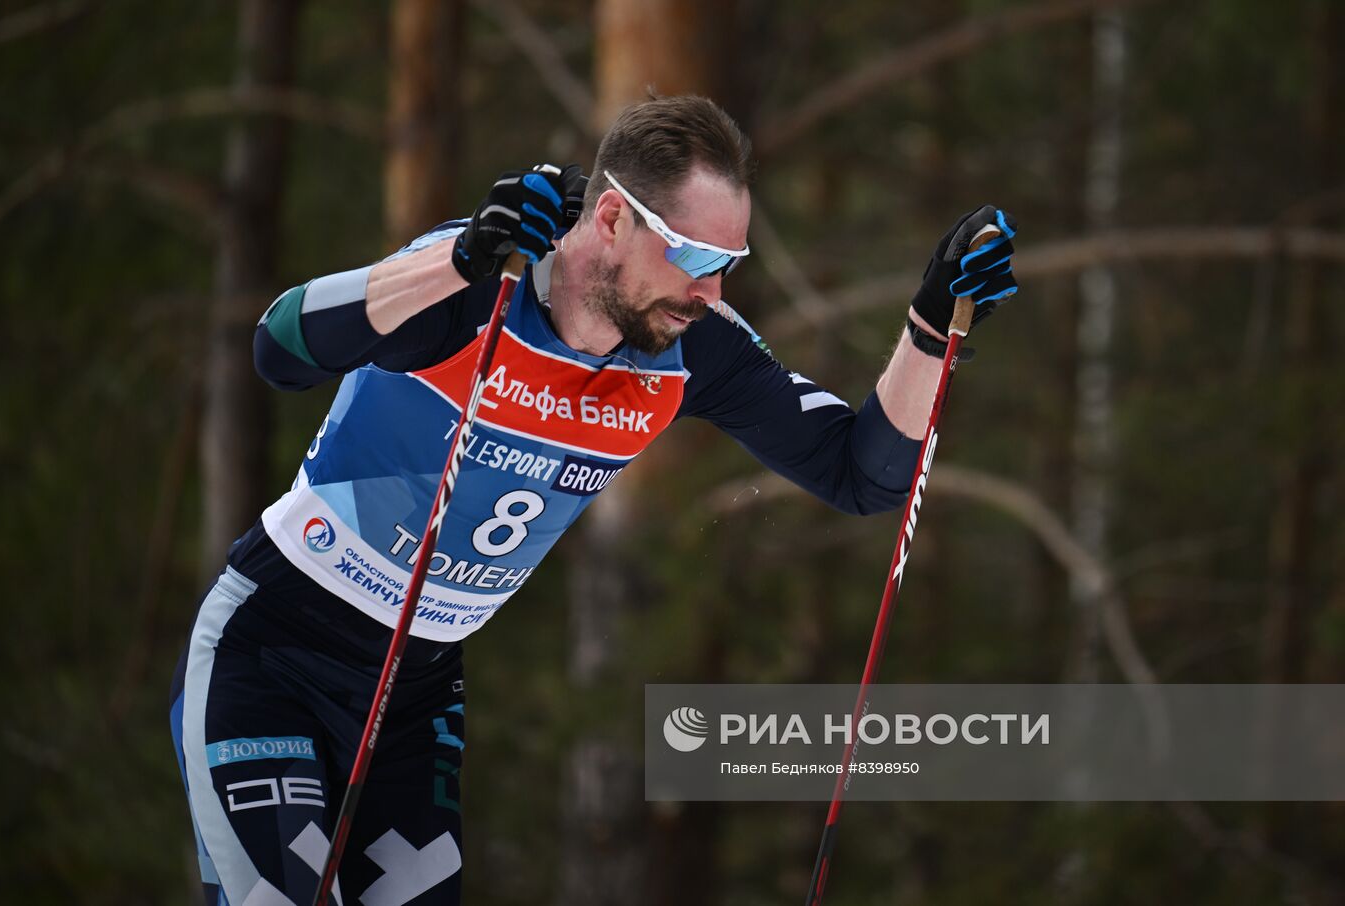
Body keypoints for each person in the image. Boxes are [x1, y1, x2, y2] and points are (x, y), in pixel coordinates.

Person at [169, 94, 1018, 905]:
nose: (711, 292)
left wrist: (930, 330)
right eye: (693, 256)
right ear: (611, 219)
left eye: (729, 266)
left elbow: (861, 475)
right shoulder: (480, 284)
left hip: (414, 692)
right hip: (272, 650)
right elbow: (280, 347)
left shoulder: (693, 348)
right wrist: (457, 259)